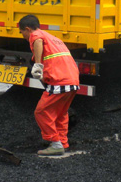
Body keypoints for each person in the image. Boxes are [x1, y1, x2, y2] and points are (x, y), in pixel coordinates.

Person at [18, 15, 79, 156]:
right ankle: (63, 142)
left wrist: (38, 65)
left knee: (41, 111)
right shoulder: (53, 38)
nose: (23, 36)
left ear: (27, 29)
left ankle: (55, 144)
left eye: (22, 33)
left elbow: (37, 40)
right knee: (61, 113)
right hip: (72, 80)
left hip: (59, 81)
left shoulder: (36, 35)